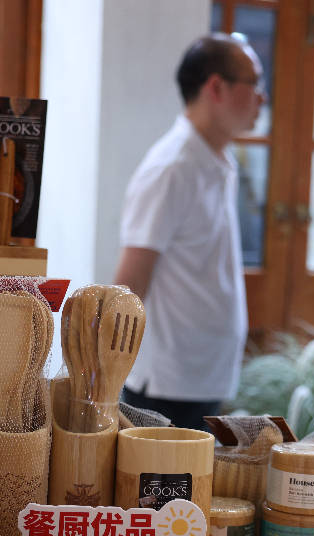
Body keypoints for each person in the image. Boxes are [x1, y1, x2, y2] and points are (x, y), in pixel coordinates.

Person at [113, 34, 264, 430]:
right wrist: (102, 379)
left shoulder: (216, 158)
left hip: (202, 377)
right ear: (216, 87)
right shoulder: (172, 167)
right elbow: (130, 283)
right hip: (167, 384)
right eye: (254, 83)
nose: (261, 97)